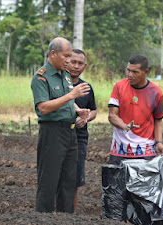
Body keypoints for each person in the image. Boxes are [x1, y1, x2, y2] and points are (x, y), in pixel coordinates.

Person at [31, 37, 91, 213]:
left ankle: (66, 219)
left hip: (70, 133)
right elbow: (43, 107)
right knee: (48, 180)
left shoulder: (65, 75)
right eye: (66, 56)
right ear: (53, 54)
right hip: (52, 133)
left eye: (70, 56)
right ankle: (43, 219)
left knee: (68, 181)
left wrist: (79, 110)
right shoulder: (41, 78)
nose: (69, 61)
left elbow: (66, 102)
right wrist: (72, 96)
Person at [108, 54, 163, 165]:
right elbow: (112, 115)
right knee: (115, 182)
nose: (130, 75)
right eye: (128, 70)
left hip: (145, 150)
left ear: (145, 72)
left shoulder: (156, 93)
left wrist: (159, 142)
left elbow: (158, 120)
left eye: (135, 72)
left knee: (144, 182)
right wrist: (125, 126)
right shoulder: (119, 87)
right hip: (120, 149)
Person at [68, 49, 97, 210]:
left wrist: (86, 117)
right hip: (59, 134)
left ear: (84, 66)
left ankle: (71, 213)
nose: (76, 66)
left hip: (80, 137)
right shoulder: (59, 85)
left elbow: (93, 110)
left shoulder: (86, 88)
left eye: (80, 63)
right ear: (67, 62)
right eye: (73, 62)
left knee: (76, 177)